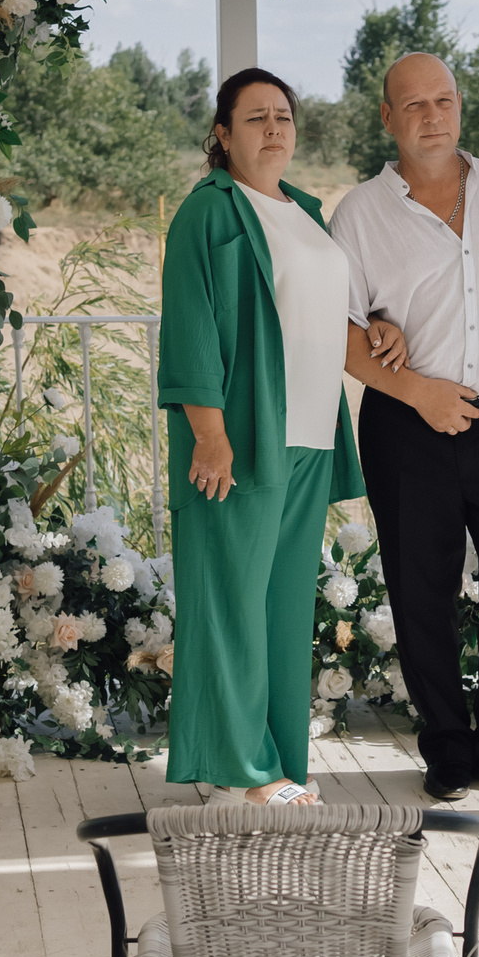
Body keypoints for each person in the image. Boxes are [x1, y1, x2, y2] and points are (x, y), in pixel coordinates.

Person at [330, 52, 479, 802]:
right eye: (414, 104)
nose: (432, 115)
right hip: (407, 427)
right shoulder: (359, 213)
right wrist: (413, 389)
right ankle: (447, 749)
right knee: (420, 590)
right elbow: (340, 333)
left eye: (444, 100)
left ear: (460, 104)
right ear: (387, 118)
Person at [156, 67, 365, 806]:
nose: (274, 128)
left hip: (309, 438)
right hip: (241, 442)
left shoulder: (304, 211)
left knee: (279, 611)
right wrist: (208, 435)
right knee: (228, 605)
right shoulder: (208, 213)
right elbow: (190, 326)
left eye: (283, 115)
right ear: (222, 134)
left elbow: (322, 312)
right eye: (255, 118)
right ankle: (243, 772)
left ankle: (275, 760)